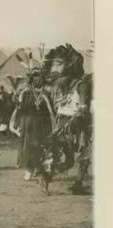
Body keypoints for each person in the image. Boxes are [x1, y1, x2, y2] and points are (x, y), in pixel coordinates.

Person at [39, 44, 92, 195]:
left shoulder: (75, 85)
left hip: (71, 124)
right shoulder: (71, 85)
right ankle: (47, 178)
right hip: (70, 125)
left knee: (77, 157)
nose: (55, 68)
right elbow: (81, 106)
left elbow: (81, 105)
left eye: (59, 64)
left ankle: (76, 183)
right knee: (74, 156)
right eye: (54, 64)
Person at [14, 70, 55, 181]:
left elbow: (51, 111)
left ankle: (38, 168)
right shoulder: (26, 93)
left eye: (40, 78)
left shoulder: (47, 94)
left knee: (40, 146)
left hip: (42, 125)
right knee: (28, 147)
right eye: (36, 78)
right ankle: (29, 169)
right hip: (28, 124)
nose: (38, 81)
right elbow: (20, 109)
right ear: (32, 80)